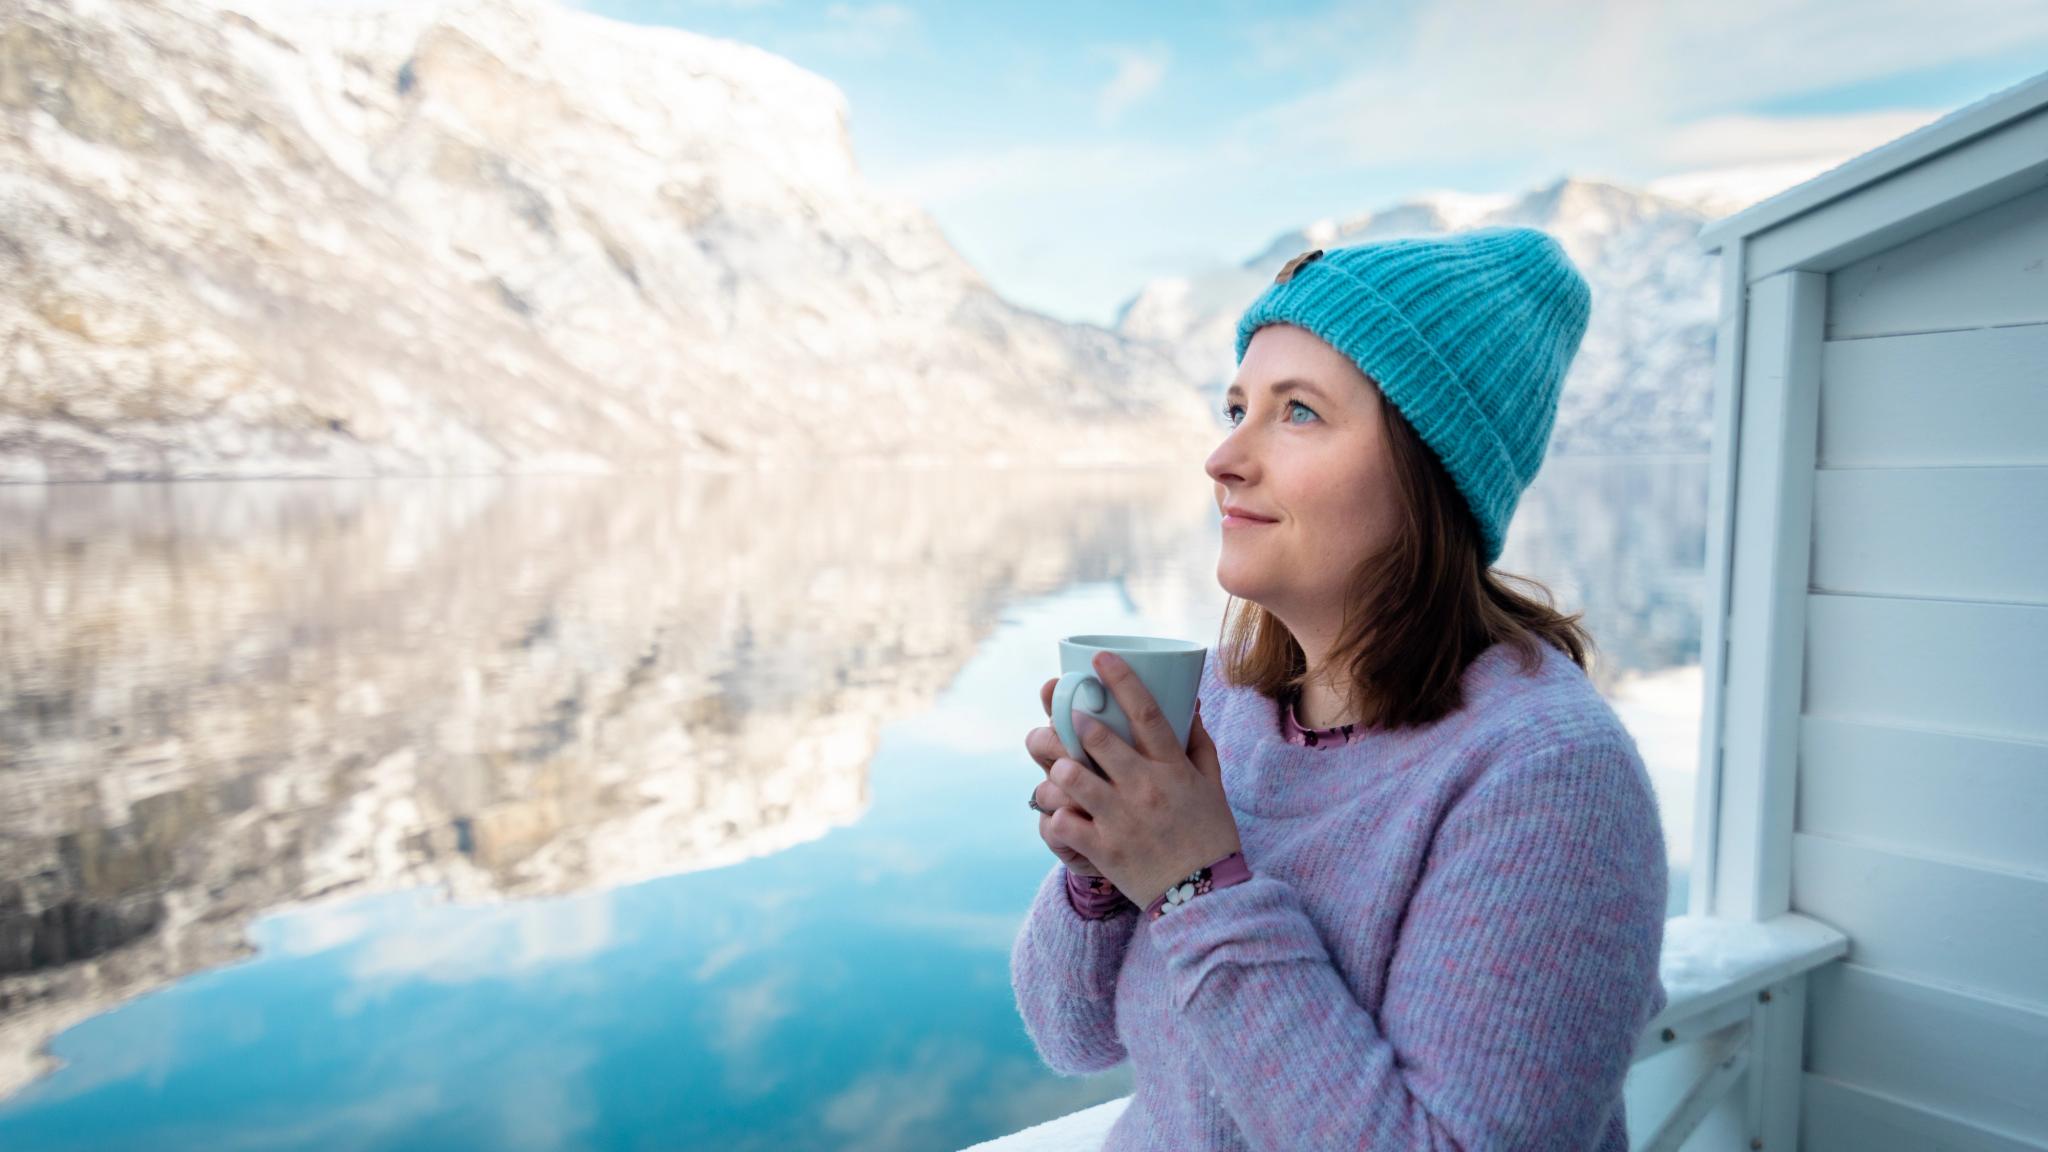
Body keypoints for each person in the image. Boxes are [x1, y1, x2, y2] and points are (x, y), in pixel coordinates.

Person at [1012, 227, 1669, 1150]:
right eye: (1236, 406)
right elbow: (1069, 1036)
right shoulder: (1231, 709)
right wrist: (1103, 871)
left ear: (1429, 468)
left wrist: (1194, 884)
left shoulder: (1549, 776)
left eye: (1299, 413)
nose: (1224, 458)